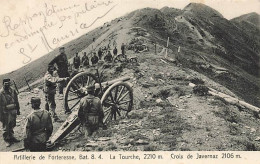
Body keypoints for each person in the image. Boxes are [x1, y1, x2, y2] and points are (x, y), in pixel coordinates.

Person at [0, 78, 20, 147]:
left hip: (13, 110)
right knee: (6, 127)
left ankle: (12, 137)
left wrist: (18, 109)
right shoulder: (1, 93)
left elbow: (16, 100)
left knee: (12, 124)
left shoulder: (12, 90)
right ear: (3, 84)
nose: (7, 85)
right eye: (6, 84)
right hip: (5, 112)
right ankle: (7, 140)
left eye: (8, 83)